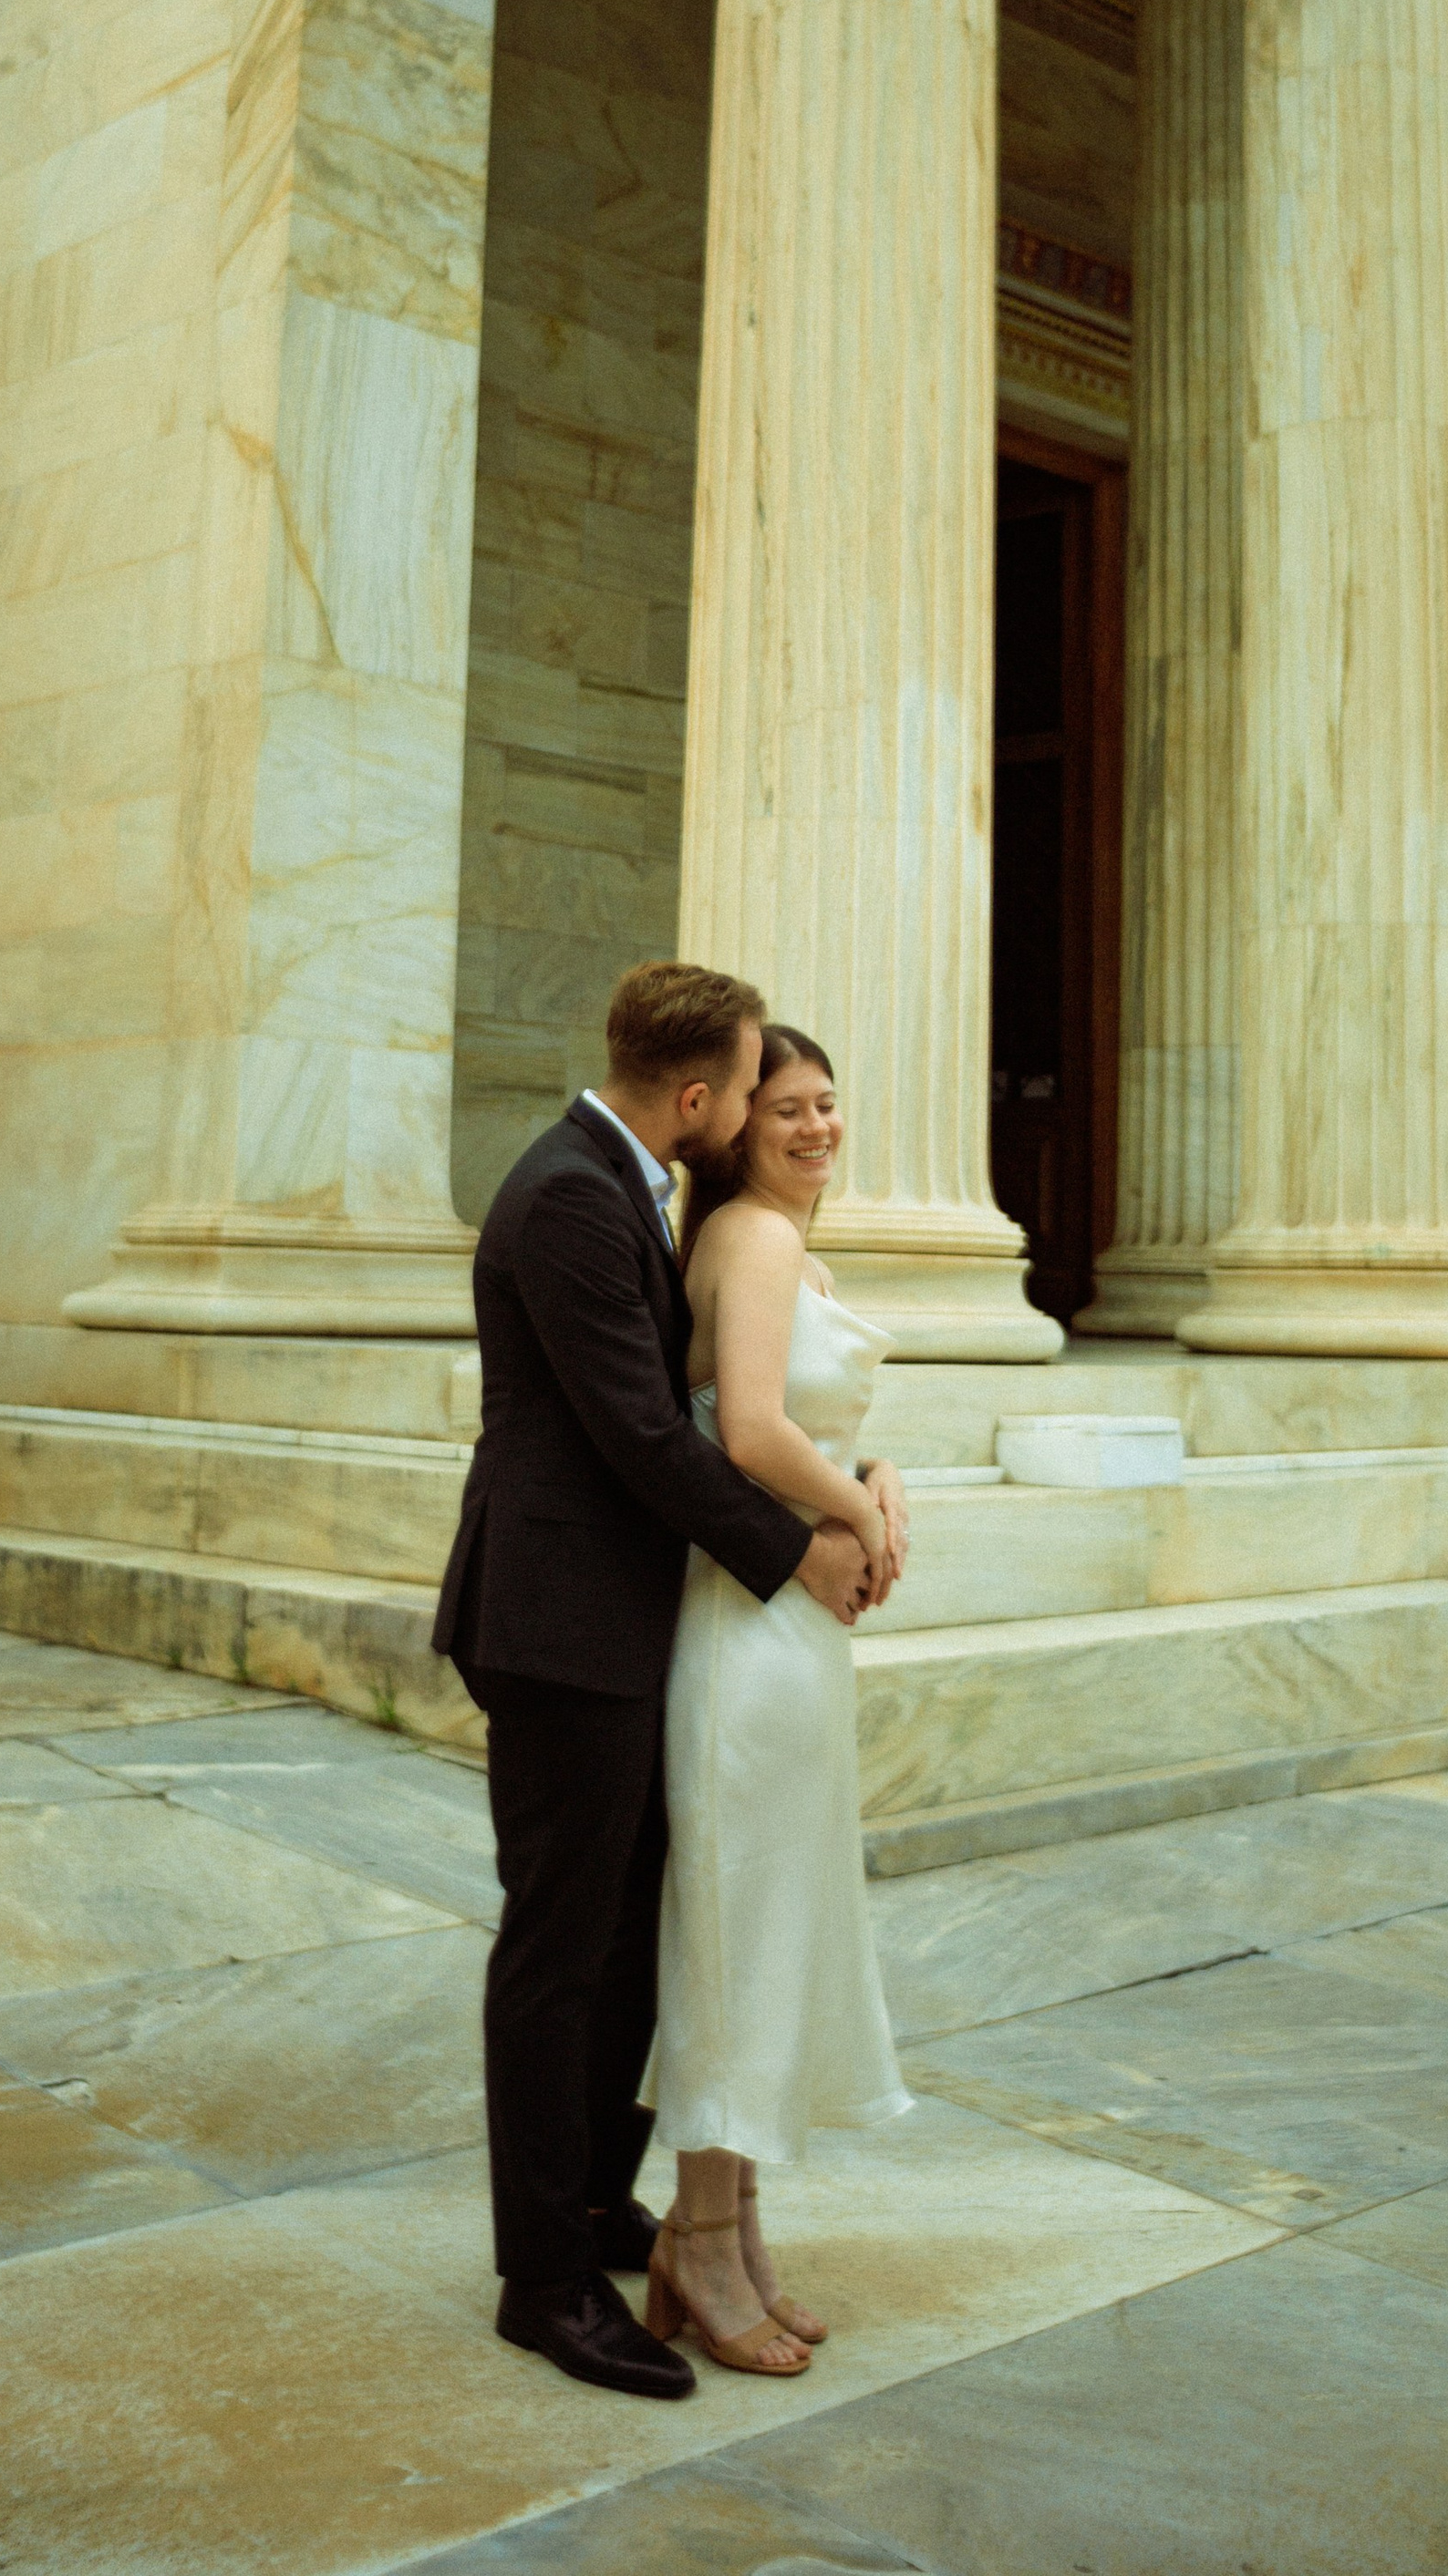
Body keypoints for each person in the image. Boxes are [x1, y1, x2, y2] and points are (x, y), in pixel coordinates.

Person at [434, 963, 874, 2403]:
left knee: (629, 1934)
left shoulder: (621, 1181)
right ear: (697, 1097)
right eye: (752, 1088)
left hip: (619, 1615)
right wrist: (796, 1552)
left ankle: (590, 2199)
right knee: (560, 1953)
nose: (758, 1113)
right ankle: (543, 2281)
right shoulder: (571, 1193)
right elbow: (639, 1429)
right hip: (557, 1621)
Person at [642, 1024, 913, 2377]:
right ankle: (695, 2239)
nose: (815, 1127)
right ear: (738, 1126)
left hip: (798, 1632)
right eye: (785, 1107)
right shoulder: (747, 1237)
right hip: (743, 1629)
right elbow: (745, 1430)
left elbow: (807, 1421)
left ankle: (733, 2234)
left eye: (827, 1103)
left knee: (774, 1921)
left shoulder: (787, 1249)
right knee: (736, 1934)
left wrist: (876, 1482)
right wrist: (851, 1510)